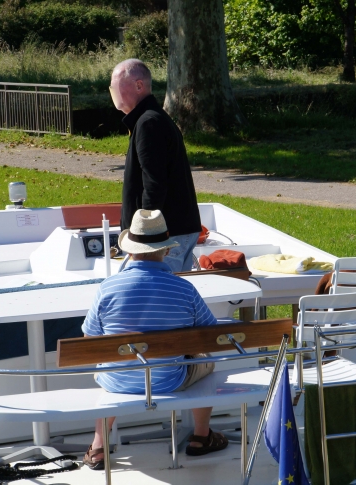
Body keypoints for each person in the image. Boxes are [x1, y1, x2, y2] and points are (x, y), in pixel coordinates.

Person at [81, 209, 228, 470]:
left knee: (111, 366)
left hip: (116, 381)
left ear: (130, 249)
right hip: (169, 380)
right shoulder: (184, 288)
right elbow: (209, 335)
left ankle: (99, 446)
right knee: (205, 360)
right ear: (167, 249)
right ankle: (201, 436)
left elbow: (89, 339)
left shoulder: (107, 287)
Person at [110, 59, 201, 273]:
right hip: (173, 232)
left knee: (155, 301)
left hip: (162, 239)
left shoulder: (149, 123)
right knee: (170, 299)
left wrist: (144, 239)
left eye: (115, 85)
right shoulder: (151, 119)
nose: (112, 90)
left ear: (139, 85)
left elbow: (154, 184)